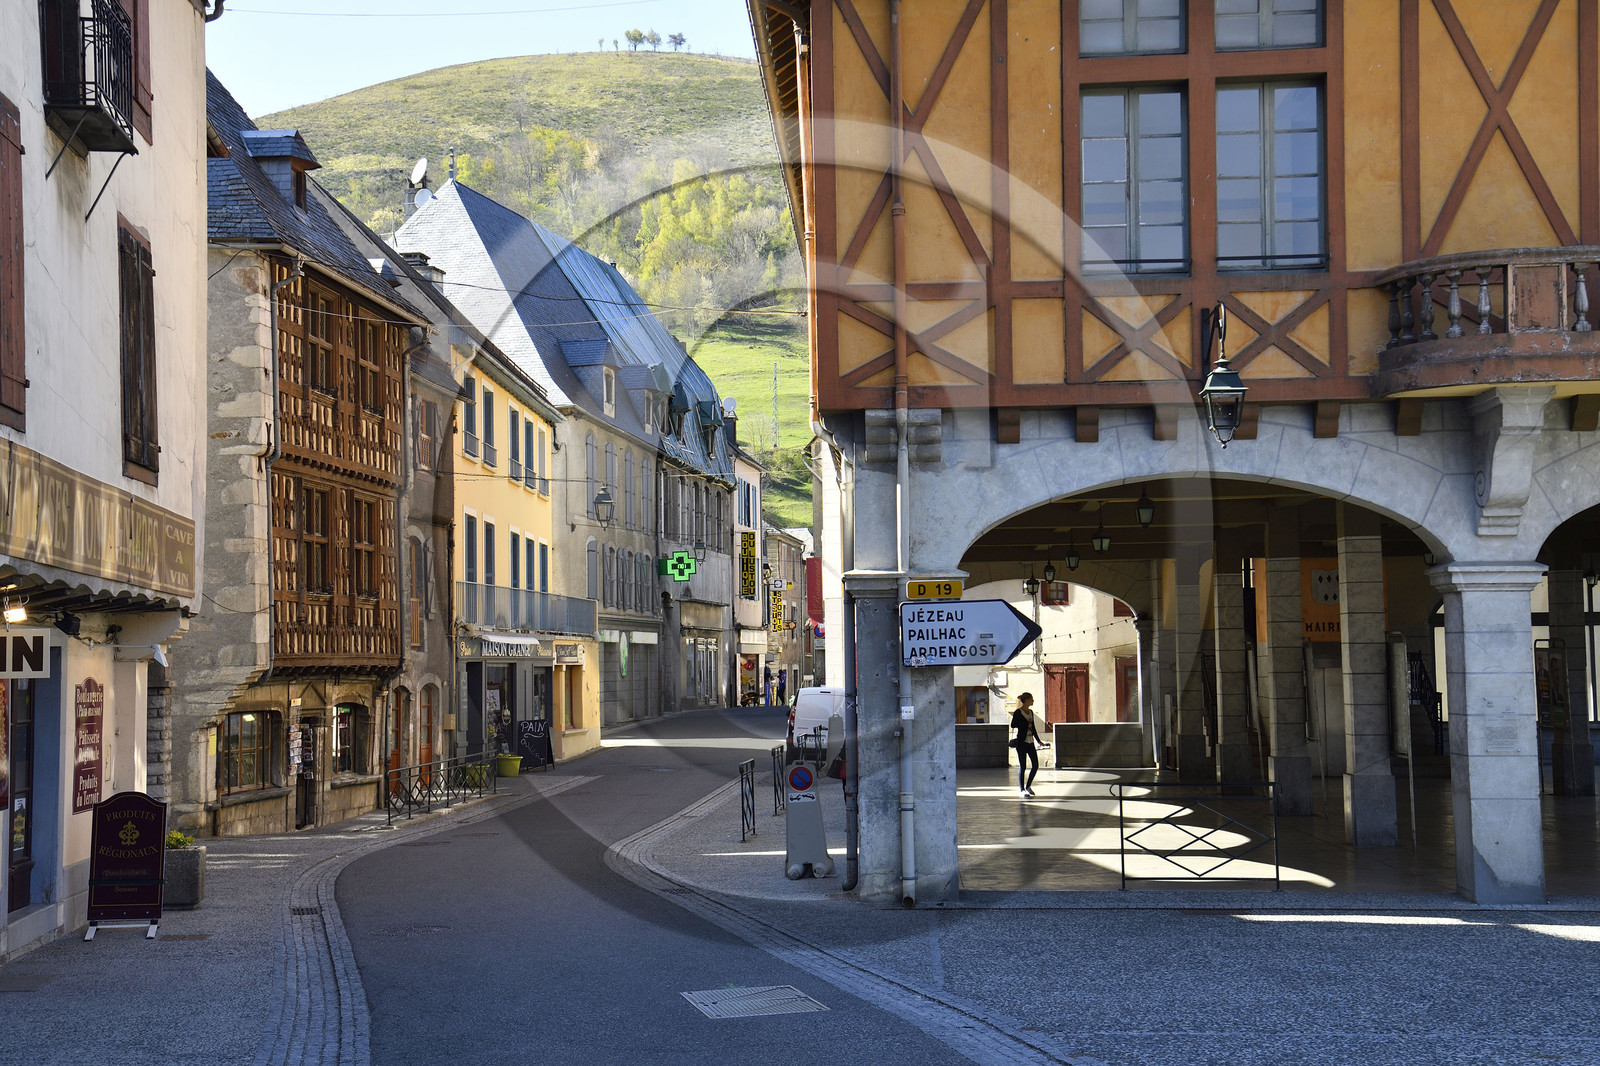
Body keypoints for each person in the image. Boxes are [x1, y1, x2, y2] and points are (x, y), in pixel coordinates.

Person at [1010, 692, 1045, 797]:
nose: (1033, 701)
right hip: (1021, 742)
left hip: (1030, 742)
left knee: (1035, 765)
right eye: (1031, 699)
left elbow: (1033, 727)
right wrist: (1025, 724)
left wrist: (1038, 741)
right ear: (1027, 700)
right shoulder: (1018, 712)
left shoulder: (1031, 712)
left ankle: (1028, 786)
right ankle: (1021, 789)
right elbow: (1013, 724)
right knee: (1023, 766)